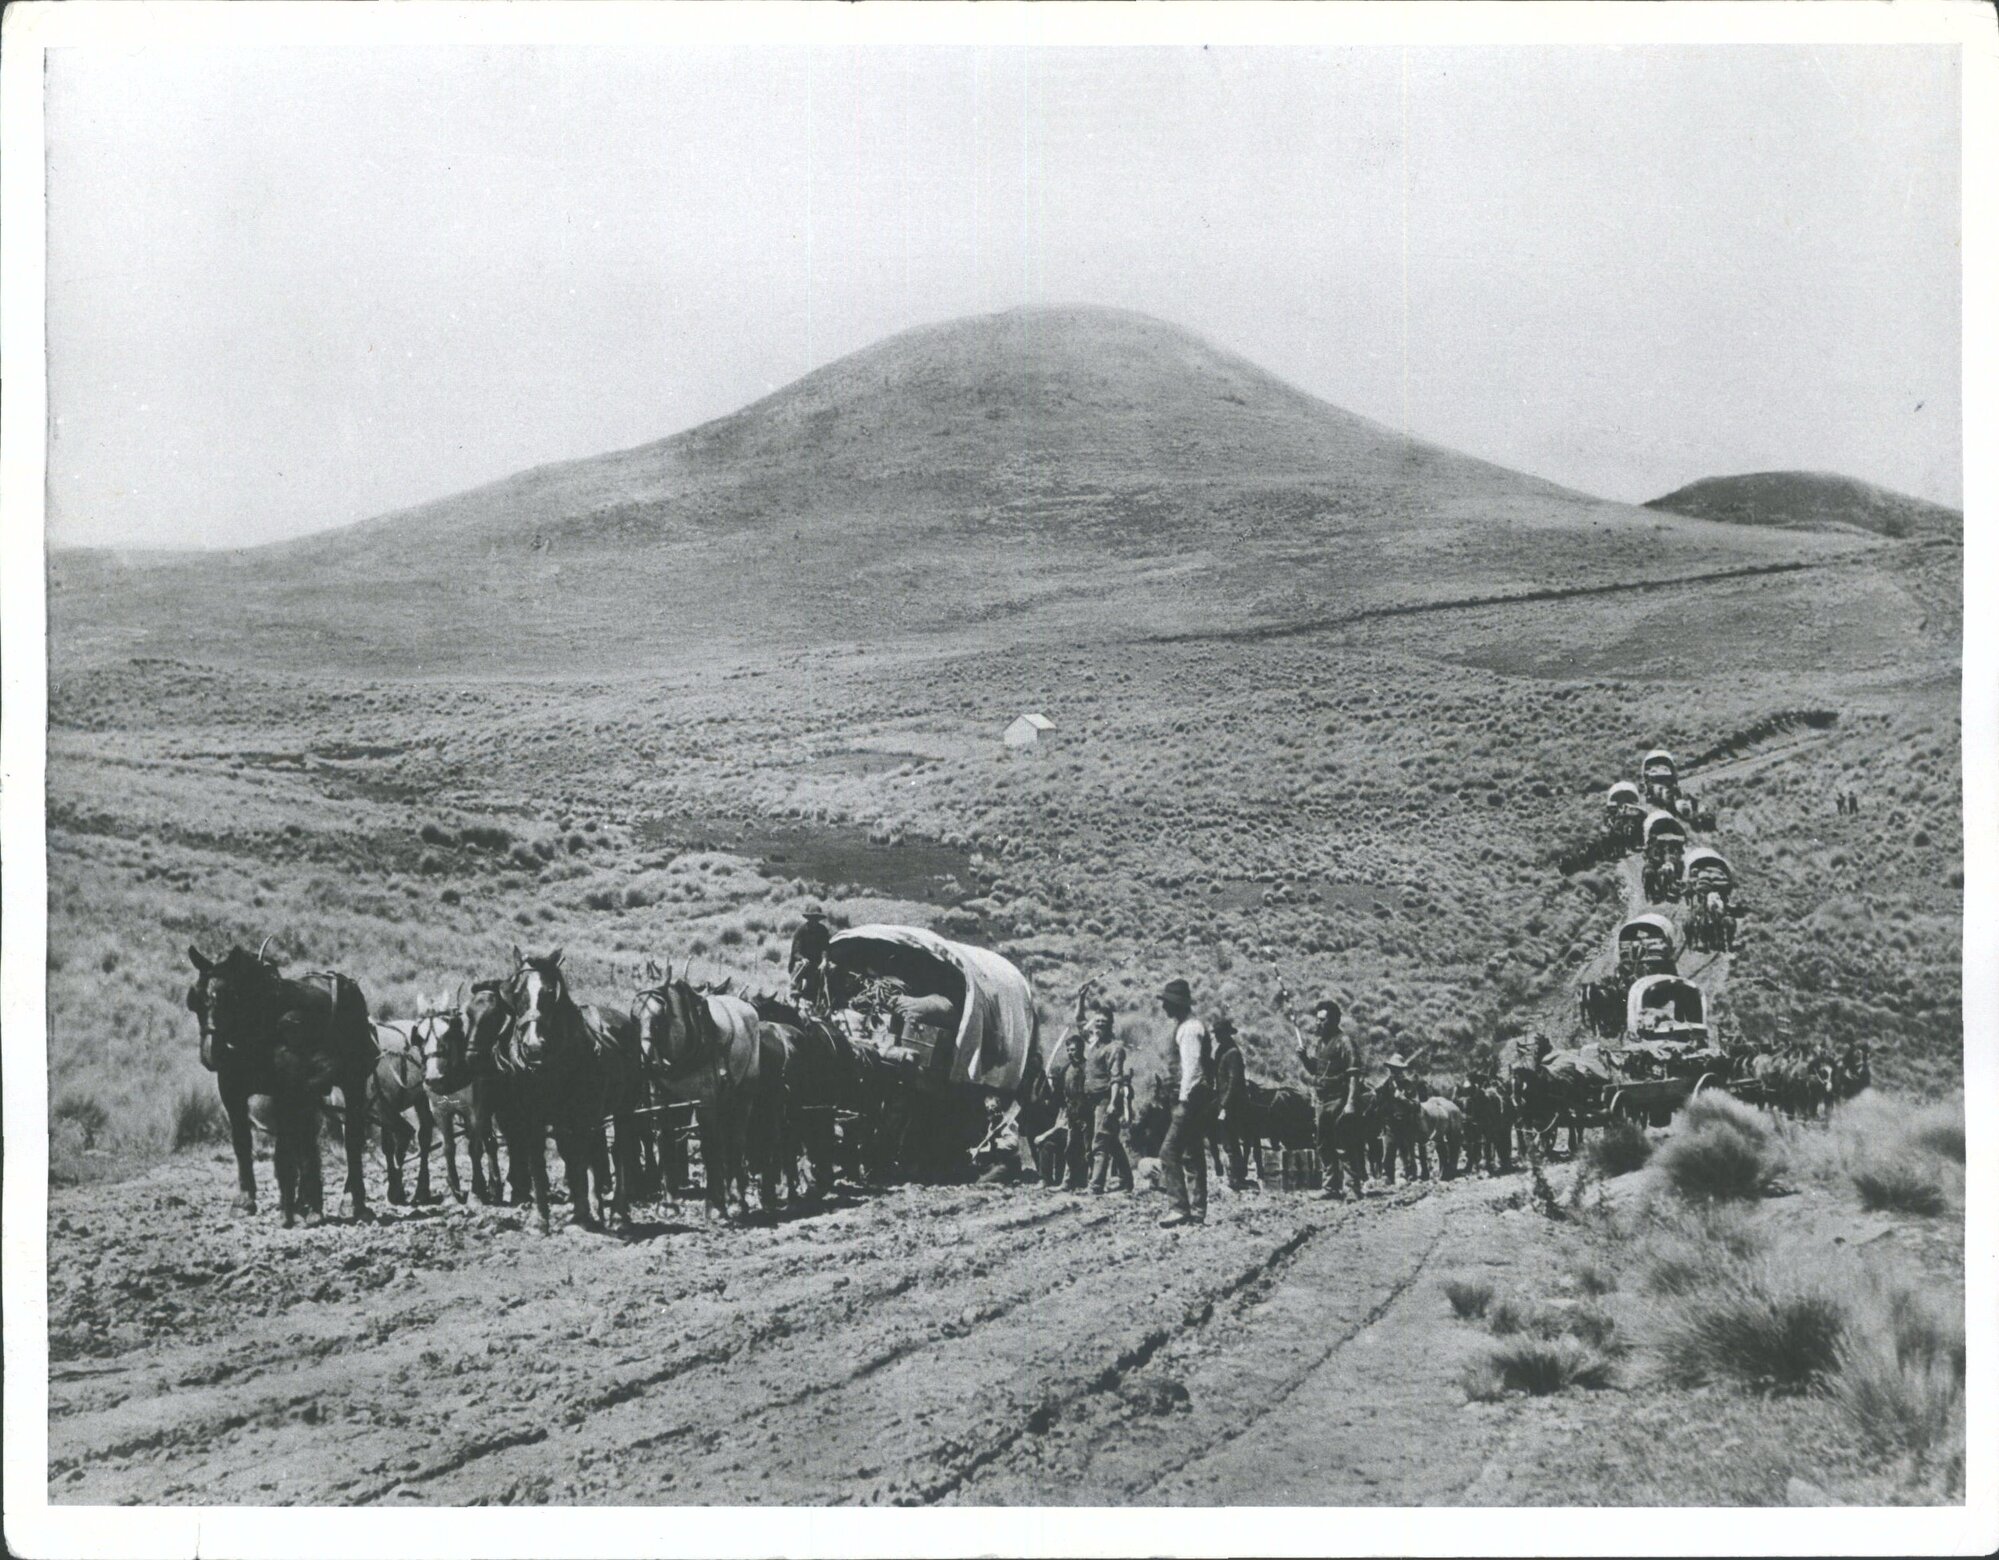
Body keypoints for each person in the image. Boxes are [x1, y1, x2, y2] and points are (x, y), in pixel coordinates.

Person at [1283, 992, 1363, 1201]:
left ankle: (1353, 1188)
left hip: (1339, 1099)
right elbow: (1316, 1071)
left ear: (1334, 1020)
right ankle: (1330, 1187)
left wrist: (1351, 1103)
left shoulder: (1345, 1042)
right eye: (1317, 1019)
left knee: (1343, 1144)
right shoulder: (1320, 1044)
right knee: (1323, 1144)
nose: (1319, 1023)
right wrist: (1304, 1059)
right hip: (1321, 1100)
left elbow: (1354, 1073)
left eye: (1323, 1019)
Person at [1156, 979, 1214, 1229]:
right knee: (1192, 1152)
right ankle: (1198, 1211)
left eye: (1167, 1003)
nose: (1164, 1007)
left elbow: (1192, 1068)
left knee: (1169, 1151)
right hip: (1192, 1098)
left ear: (1176, 1004)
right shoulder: (1187, 1026)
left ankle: (1179, 1208)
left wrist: (1182, 1100)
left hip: (1189, 1098)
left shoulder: (1190, 1029)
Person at [1081, 1000, 1134, 1193]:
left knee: (1101, 1140)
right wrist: (1081, 999)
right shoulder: (1094, 1043)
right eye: (1097, 1021)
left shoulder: (1114, 1048)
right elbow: (1080, 1022)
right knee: (1111, 1141)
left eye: (1104, 1021)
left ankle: (1095, 1185)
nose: (1100, 1024)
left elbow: (1116, 1078)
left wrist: (1112, 1103)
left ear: (1110, 1023)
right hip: (1093, 1100)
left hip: (1106, 1099)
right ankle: (1126, 1180)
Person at [1211, 1015, 1257, 1191]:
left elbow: (1234, 1082)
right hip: (1224, 1101)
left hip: (1234, 1104)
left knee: (1232, 1141)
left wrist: (1224, 1107)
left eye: (1219, 1033)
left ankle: (1237, 1178)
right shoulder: (1222, 1050)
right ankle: (1235, 1176)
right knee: (1228, 1141)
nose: (1216, 1036)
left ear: (1226, 1034)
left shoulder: (1232, 1053)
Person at [1047, 1029, 1094, 1191]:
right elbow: (1059, 1093)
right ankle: (1068, 1182)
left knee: (1089, 1149)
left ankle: (1091, 1182)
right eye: (1068, 1050)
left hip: (1088, 1115)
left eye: (1073, 1049)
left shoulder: (1089, 1068)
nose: (1070, 1053)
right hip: (1072, 1115)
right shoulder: (1065, 1069)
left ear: (1080, 1049)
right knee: (1070, 1149)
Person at [788, 905, 831, 1007]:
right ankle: (793, 995)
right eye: (812, 918)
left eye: (816, 918)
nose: (814, 921)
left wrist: (824, 960)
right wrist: (802, 959)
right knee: (799, 966)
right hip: (803, 962)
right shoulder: (801, 930)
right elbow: (796, 950)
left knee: (820, 975)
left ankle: (811, 998)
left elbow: (825, 947)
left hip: (816, 963)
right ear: (808, 918)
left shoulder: (823, 930)